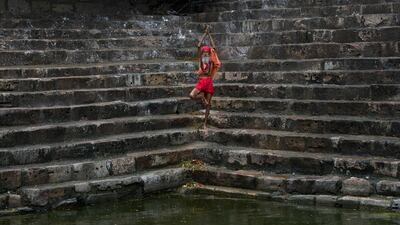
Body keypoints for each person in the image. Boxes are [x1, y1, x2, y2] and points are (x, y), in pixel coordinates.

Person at [189, 26, 221, 129]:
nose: (206, 54)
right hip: (201, 81)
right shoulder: (201, 60)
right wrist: (204, 34)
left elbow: (214, 48)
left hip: (209, 82)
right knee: (191, 95)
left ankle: (205, 124)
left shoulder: (211, 60)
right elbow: (198, 45)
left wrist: (209, 34)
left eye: (207, 53)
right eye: (204, 53)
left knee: (208, 105)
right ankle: (202, 97)